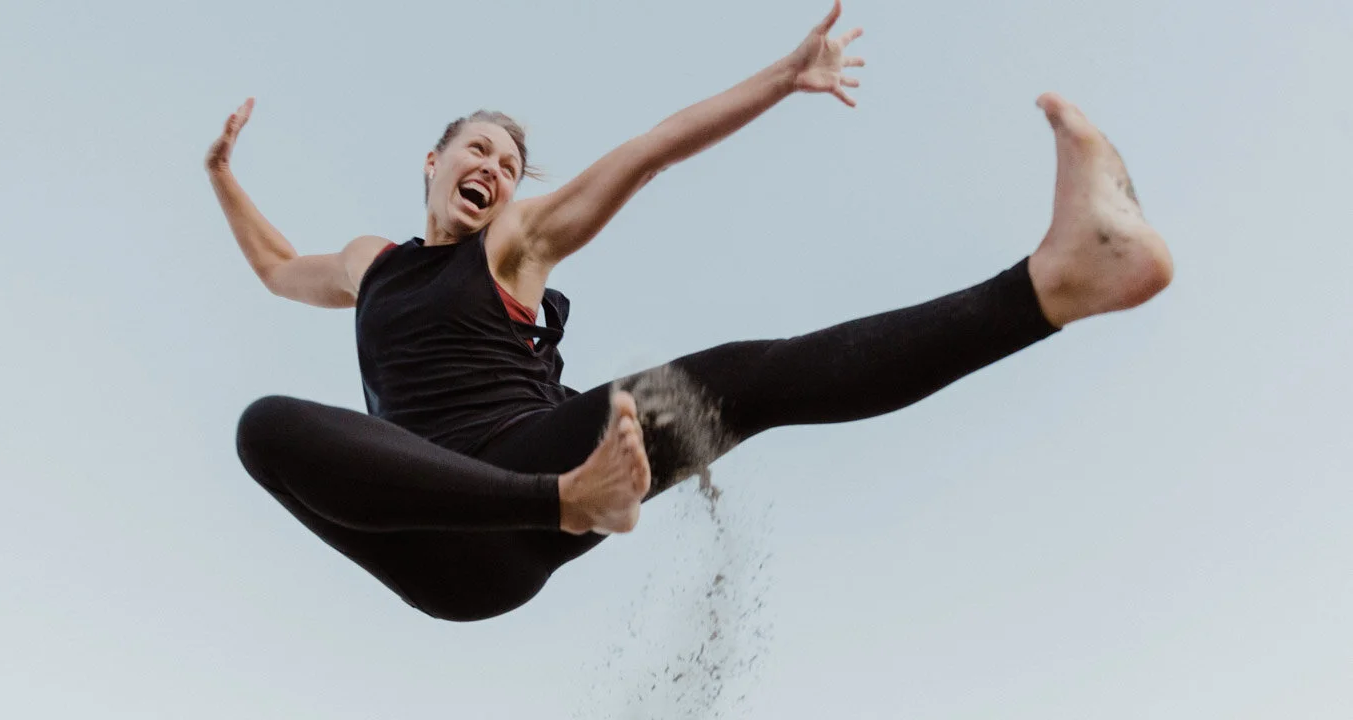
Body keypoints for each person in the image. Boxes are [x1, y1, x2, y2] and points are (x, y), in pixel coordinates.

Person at [209, 1, 1173, 622]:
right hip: (438, 552)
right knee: (266, 429)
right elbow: (276, 265)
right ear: (434, 160)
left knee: (752, 378)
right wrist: (219, 175)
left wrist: (781, 79)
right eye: (479, 150)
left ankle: (1061, 280)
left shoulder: (515, 244)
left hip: (546, 465)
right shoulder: (369, 264)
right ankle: (563, 504)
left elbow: (649, 149)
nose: (495, 170)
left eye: (509, 163)